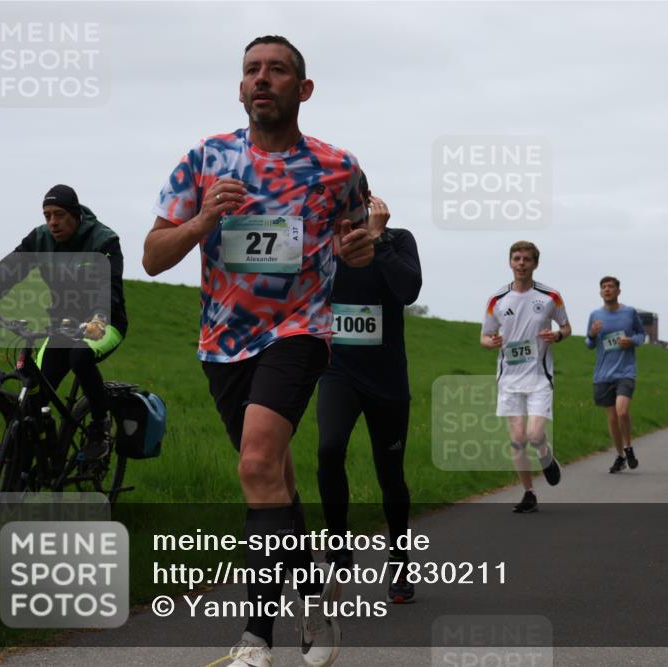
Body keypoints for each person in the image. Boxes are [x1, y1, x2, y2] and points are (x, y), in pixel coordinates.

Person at [142, 35, 373, 667]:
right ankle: (314, 592)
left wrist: (360, 247)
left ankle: (256, 638)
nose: (262, 79)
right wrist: (200, 222)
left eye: (276, 70)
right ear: (240, 88)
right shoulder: (206, 158)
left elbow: (360, 233)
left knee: (254, 465)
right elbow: (152, 258)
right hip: (224, 343)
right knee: (272, 476)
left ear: (304, 89)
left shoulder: (338, 167)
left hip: (299, 332)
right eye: (251, 70)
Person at [316, 175, 421, 604]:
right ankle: (338, 546)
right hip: (338, 372)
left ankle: (400, 560)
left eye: (350, 198)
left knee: (390, 474)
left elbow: (409, 291)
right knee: (329, 450)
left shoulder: (398, 239)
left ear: (367, 200)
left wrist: (377, 241)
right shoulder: (322, 243)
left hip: (387, 379)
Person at [0, 184, 127, 460]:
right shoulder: (40, 239)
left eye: (59, 214)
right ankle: (32, 465)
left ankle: (100, 425)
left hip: (105, 323)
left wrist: (99, 318)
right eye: (47, 215)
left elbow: (108, 287)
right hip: (63, 325)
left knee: (80, 356)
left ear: (75, 214)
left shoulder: (103, 241)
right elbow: (10, 269)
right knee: (34, 394)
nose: (53, 222)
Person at [481, 241, 570, 513]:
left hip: (539, 377)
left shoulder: (550, 297)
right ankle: (529, 493)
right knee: (518, 439)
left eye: (526, 259)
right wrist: (491, 342)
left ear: (535, 264)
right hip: (509, 379)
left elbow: (566, 327)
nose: (521, 263)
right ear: (510, 262)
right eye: (517, 258)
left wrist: (557, 335)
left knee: (534, 434)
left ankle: (546, 457)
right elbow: (484, 336)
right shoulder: (497, 300)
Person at [585, 277, 646, 471]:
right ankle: (620, 456)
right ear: (600, 292)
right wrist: (592, 334)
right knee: (612, 419)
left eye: (611, 286)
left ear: (618, 291)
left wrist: (632, 341)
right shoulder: (595, 315)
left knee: (622, 411)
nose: (607, 289)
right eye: (604, 287)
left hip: (625, 371)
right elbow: (589, 344)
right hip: (603, 374)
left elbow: (641, 335)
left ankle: (628, 447)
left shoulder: (629, 312)